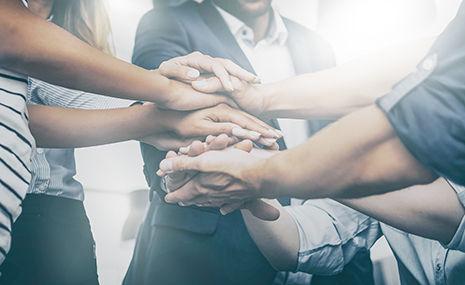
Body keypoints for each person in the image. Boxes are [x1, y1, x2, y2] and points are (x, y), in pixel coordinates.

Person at [0, 0, 277, 274]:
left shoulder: (80, 24)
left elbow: (25, 115)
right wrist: (165, 92)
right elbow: (12, 33)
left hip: (59, 213)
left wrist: (156, 116)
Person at [124, 0, 373, 284]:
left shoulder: (316, 44)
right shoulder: (168, 21)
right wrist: (174, 172)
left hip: (330, 252)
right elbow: (161, 111)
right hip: (213, 254)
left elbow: (345, 136)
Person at [163, 131, 465, 284]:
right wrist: (251, 191)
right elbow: (296, 247)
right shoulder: (399, 145)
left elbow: (451, 215)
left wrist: (266, 169)